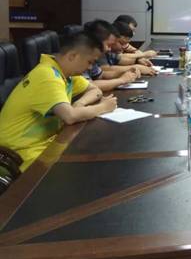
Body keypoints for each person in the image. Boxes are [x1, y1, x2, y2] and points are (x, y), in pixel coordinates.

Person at [0, 31, 117, 171]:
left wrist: (79, 104)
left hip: (48, 143)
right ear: (72, 56)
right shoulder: (47, 76)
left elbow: (95, 90)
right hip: (21, 154)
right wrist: (103, 107)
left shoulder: (65, 73)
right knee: (90, 168)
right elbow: (70, 116)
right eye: (90, 62)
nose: (90, 68)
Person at [83, 20, 140, 91]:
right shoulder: (82, 58)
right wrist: (122, 80)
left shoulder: (93, 56)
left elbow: (101, 75)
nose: (109, 49)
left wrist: (124, 72)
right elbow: (88, 86)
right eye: (108, 45)